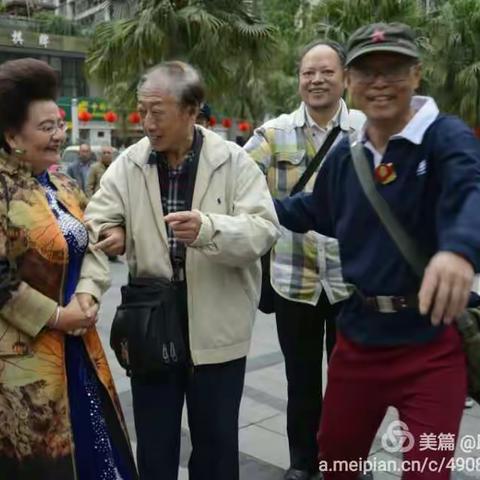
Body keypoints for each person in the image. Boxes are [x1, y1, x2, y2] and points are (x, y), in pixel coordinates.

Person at [274, 23, 480, 480]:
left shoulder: (446, 137)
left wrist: (459, 251)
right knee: (337, 461)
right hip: (359, 341)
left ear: (416, 75)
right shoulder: (348, 158)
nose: (380, 82)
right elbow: (313, 210)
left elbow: (471, 191)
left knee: (428, 470)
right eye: (367, 71)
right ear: (351, 81)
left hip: (431, 345)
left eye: (394, 69)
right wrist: (254, 210)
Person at [76, 60, 279, 480]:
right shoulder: (130, 163)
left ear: (191, 110)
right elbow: (93, 218)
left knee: (217, 446)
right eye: (142, 110)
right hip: (151, 326)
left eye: (157, 111)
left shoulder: (234, 162)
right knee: (154, 445)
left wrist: (208, 228)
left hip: (218, 329)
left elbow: (264, 230)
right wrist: (113, 230)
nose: (147, 122)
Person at [0, 58, 137, 479]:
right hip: (25, 361)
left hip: (81, 345)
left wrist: (88, 295)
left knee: (98, 448)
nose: (60, 135)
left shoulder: (65, 185)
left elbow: (93, 245)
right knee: (45, 460)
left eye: (59, 124)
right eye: (46, 128)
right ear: (11, 136)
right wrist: (59, 317)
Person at [244, 40, 364, 480]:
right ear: (299, 78)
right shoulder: (273, 134)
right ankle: (302, 462)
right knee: (301, 381)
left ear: (345, 77)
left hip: (353, 282)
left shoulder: (367, 131)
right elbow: (237, 175)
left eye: (326, 71)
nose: (316, 80)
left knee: (351, 383)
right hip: (293, 279)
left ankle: (346, 461)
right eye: (307, 72)